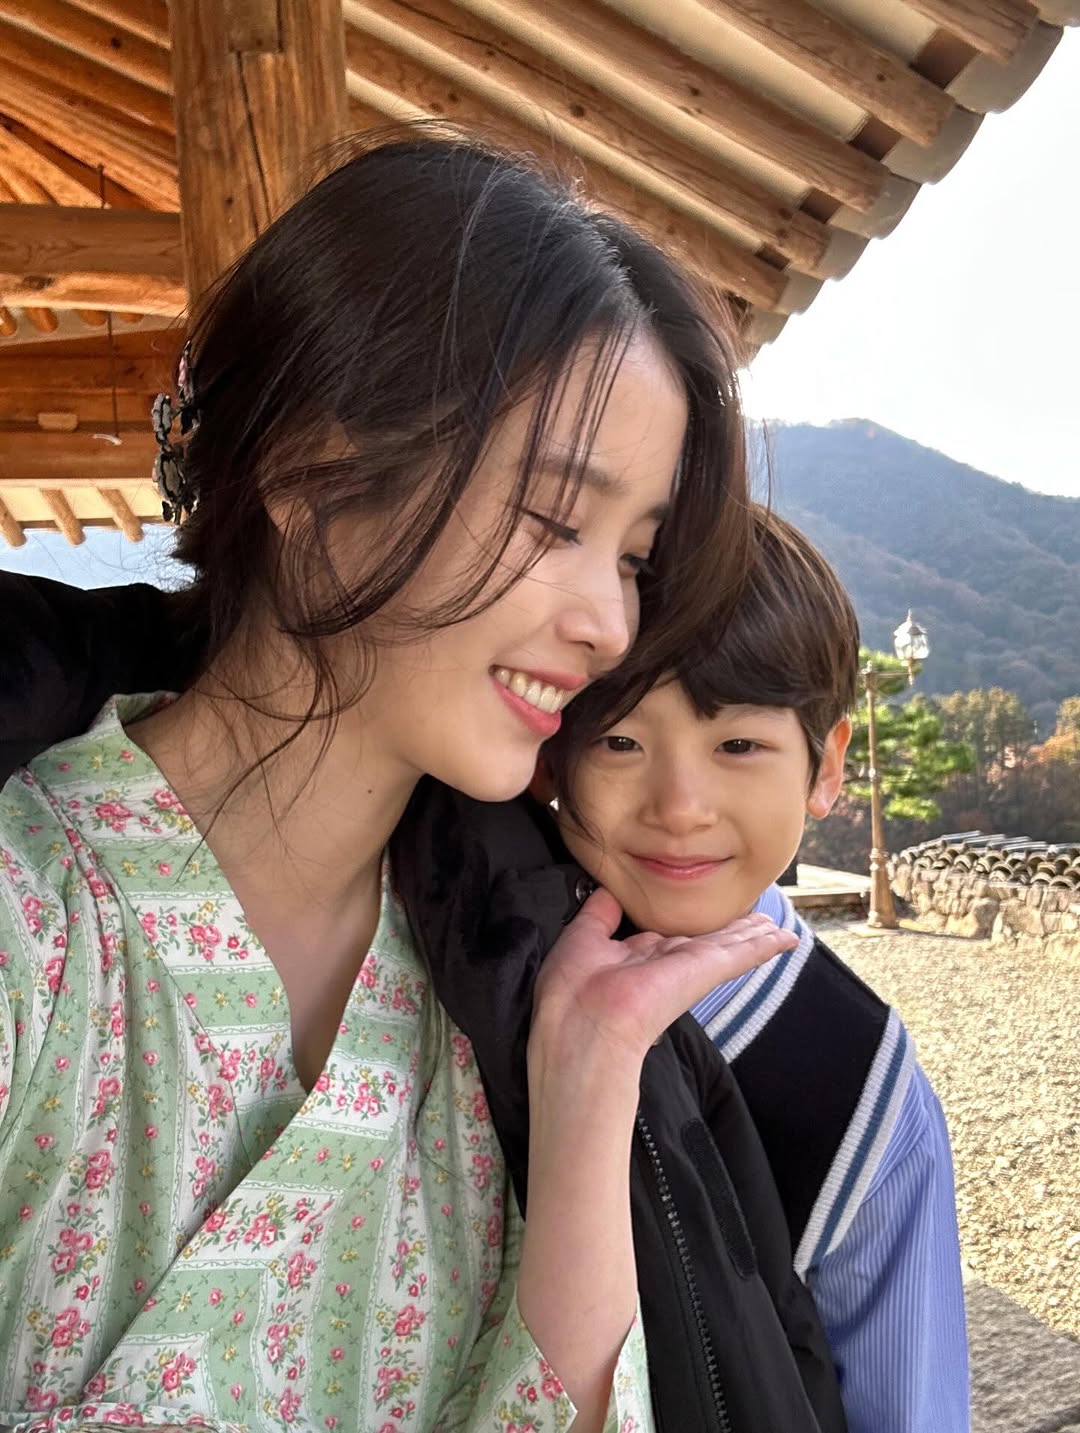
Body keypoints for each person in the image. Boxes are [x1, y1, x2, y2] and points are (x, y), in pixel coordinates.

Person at [0, 131, 843, 1433]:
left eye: (632, 556)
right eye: (554, 521)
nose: (610, 626)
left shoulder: (506, 995)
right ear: (312, 474)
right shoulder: (29, 919)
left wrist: (588, 1094)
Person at [541, 507, 971, 1433]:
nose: (681, 806)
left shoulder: (861, 1089)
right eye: (619, 740)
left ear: (826, 765)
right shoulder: (475, 954)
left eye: (738, 744)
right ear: (552, 749)